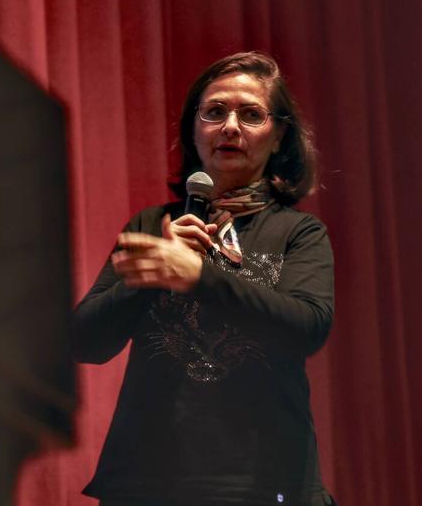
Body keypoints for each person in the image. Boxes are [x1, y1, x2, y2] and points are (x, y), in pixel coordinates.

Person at [72, 51, 337, 506]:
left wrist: (200, 278)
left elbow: (307, 327)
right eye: (214, 112)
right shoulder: (150, 225)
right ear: (193, 132)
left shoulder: (298, 232)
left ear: (278, 138)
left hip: (265, 481)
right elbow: (83, 342)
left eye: (251, 114)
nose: (230, 126)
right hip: (148, 484)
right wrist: (153, 274)